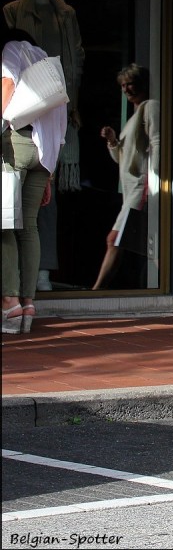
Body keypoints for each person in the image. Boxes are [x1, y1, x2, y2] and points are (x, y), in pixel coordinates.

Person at [5, 0, 86, 293]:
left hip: (39, 126)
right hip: (41, 127)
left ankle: (18, 293)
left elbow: (75, 65)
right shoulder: (13, 12)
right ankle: (28, 292)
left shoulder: (66, 16)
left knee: (18, 217)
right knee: (27, 216)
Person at [2, 27, 68, 332]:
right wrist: (50, 172)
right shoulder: (46, 61)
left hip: (14, 145)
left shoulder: (10, 52)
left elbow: (5, 94)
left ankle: (9, 303)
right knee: (28, 227)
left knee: (4, 225)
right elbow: (59, 116)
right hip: (43, 153)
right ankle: (28, 303)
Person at [92, 64, 159, 291]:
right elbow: (123, 159)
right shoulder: (135, 116)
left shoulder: (150, 108)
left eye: (129, 83)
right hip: (132, 189)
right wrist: (113, 142)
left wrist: (156, 177)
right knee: (137, 243)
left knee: (115, 240)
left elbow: (157, 142)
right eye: (122, 85)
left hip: (142, 187)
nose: (126, 89)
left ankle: (97, 291)